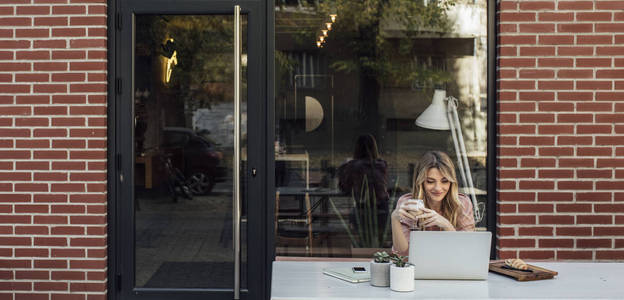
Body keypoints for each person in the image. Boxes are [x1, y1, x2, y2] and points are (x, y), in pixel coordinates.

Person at [391, 151, 475, 256]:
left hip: (452, 267)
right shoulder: (409, 204)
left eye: (444, 181)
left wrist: (446, 225)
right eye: (430, 181)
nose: (438, 188)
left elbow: (467, 251)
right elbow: (402, 253)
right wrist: (394, 219)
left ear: (451, 182)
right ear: (420, 182)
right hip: (418, 268)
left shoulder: (462, 203)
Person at [337, 134, 390, 245]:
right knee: (379, 241)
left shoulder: (353, 166)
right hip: (383, 212)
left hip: (362, 211)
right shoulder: (382, 165)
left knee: (361, 235)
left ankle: (362, 252)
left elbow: (344, 188)